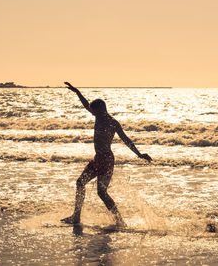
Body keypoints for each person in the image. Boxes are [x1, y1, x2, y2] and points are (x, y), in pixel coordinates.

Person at [61, 82, 152, 227]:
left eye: (95, 111)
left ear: (102, 110)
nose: (93, 113)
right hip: (97, 159)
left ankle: (119, 221)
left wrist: (139, 154)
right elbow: (86, 105)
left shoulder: (112, 123)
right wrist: (77, 91)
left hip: (107, 160)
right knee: (80, 183)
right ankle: (76, 216)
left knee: (101, 192)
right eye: (93, 112)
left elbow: (125, 139)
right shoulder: (98, 116)